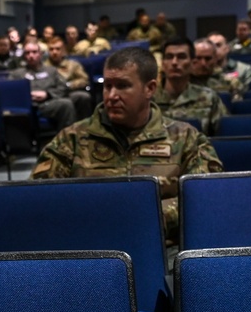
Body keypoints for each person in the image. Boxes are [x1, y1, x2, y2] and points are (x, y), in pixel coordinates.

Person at [31, 47, 222, 259]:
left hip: (163, 253)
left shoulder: (187, 139)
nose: (112, 96)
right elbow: (40, 199)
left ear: (149, 89)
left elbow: (205, 200)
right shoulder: (72, 139)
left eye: (123, 86)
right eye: (108, 86)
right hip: (92, 255)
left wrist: (142, 217)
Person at [153, 37, 227, 136]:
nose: (174, 62)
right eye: (169, 57)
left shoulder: (208, 98)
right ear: (163, 63)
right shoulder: (148, 98)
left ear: (192, 63)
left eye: (181, 57)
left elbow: (223, 138)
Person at [9, 41, 76, 133]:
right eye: (27, 53)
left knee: (67, 103)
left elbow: (63, 87)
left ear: (40, 54)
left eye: (34, 52)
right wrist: (27, 95)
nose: (31, 55)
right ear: (24, 56)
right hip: (30, 106)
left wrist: (47, 94)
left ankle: (65, 140)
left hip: (49, 103)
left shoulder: (51, 71)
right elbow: (10, 92)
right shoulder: (17, 74)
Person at [46, 36, 93, 120]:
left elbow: (84, 79)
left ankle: (85, 127)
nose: (54, 52)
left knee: (84, 97)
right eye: (51, 49)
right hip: (50, 97)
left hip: (68, 94)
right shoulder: (44, 67)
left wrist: (69, 85)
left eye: (57, 49)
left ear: (63, 50)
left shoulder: (72, 65)